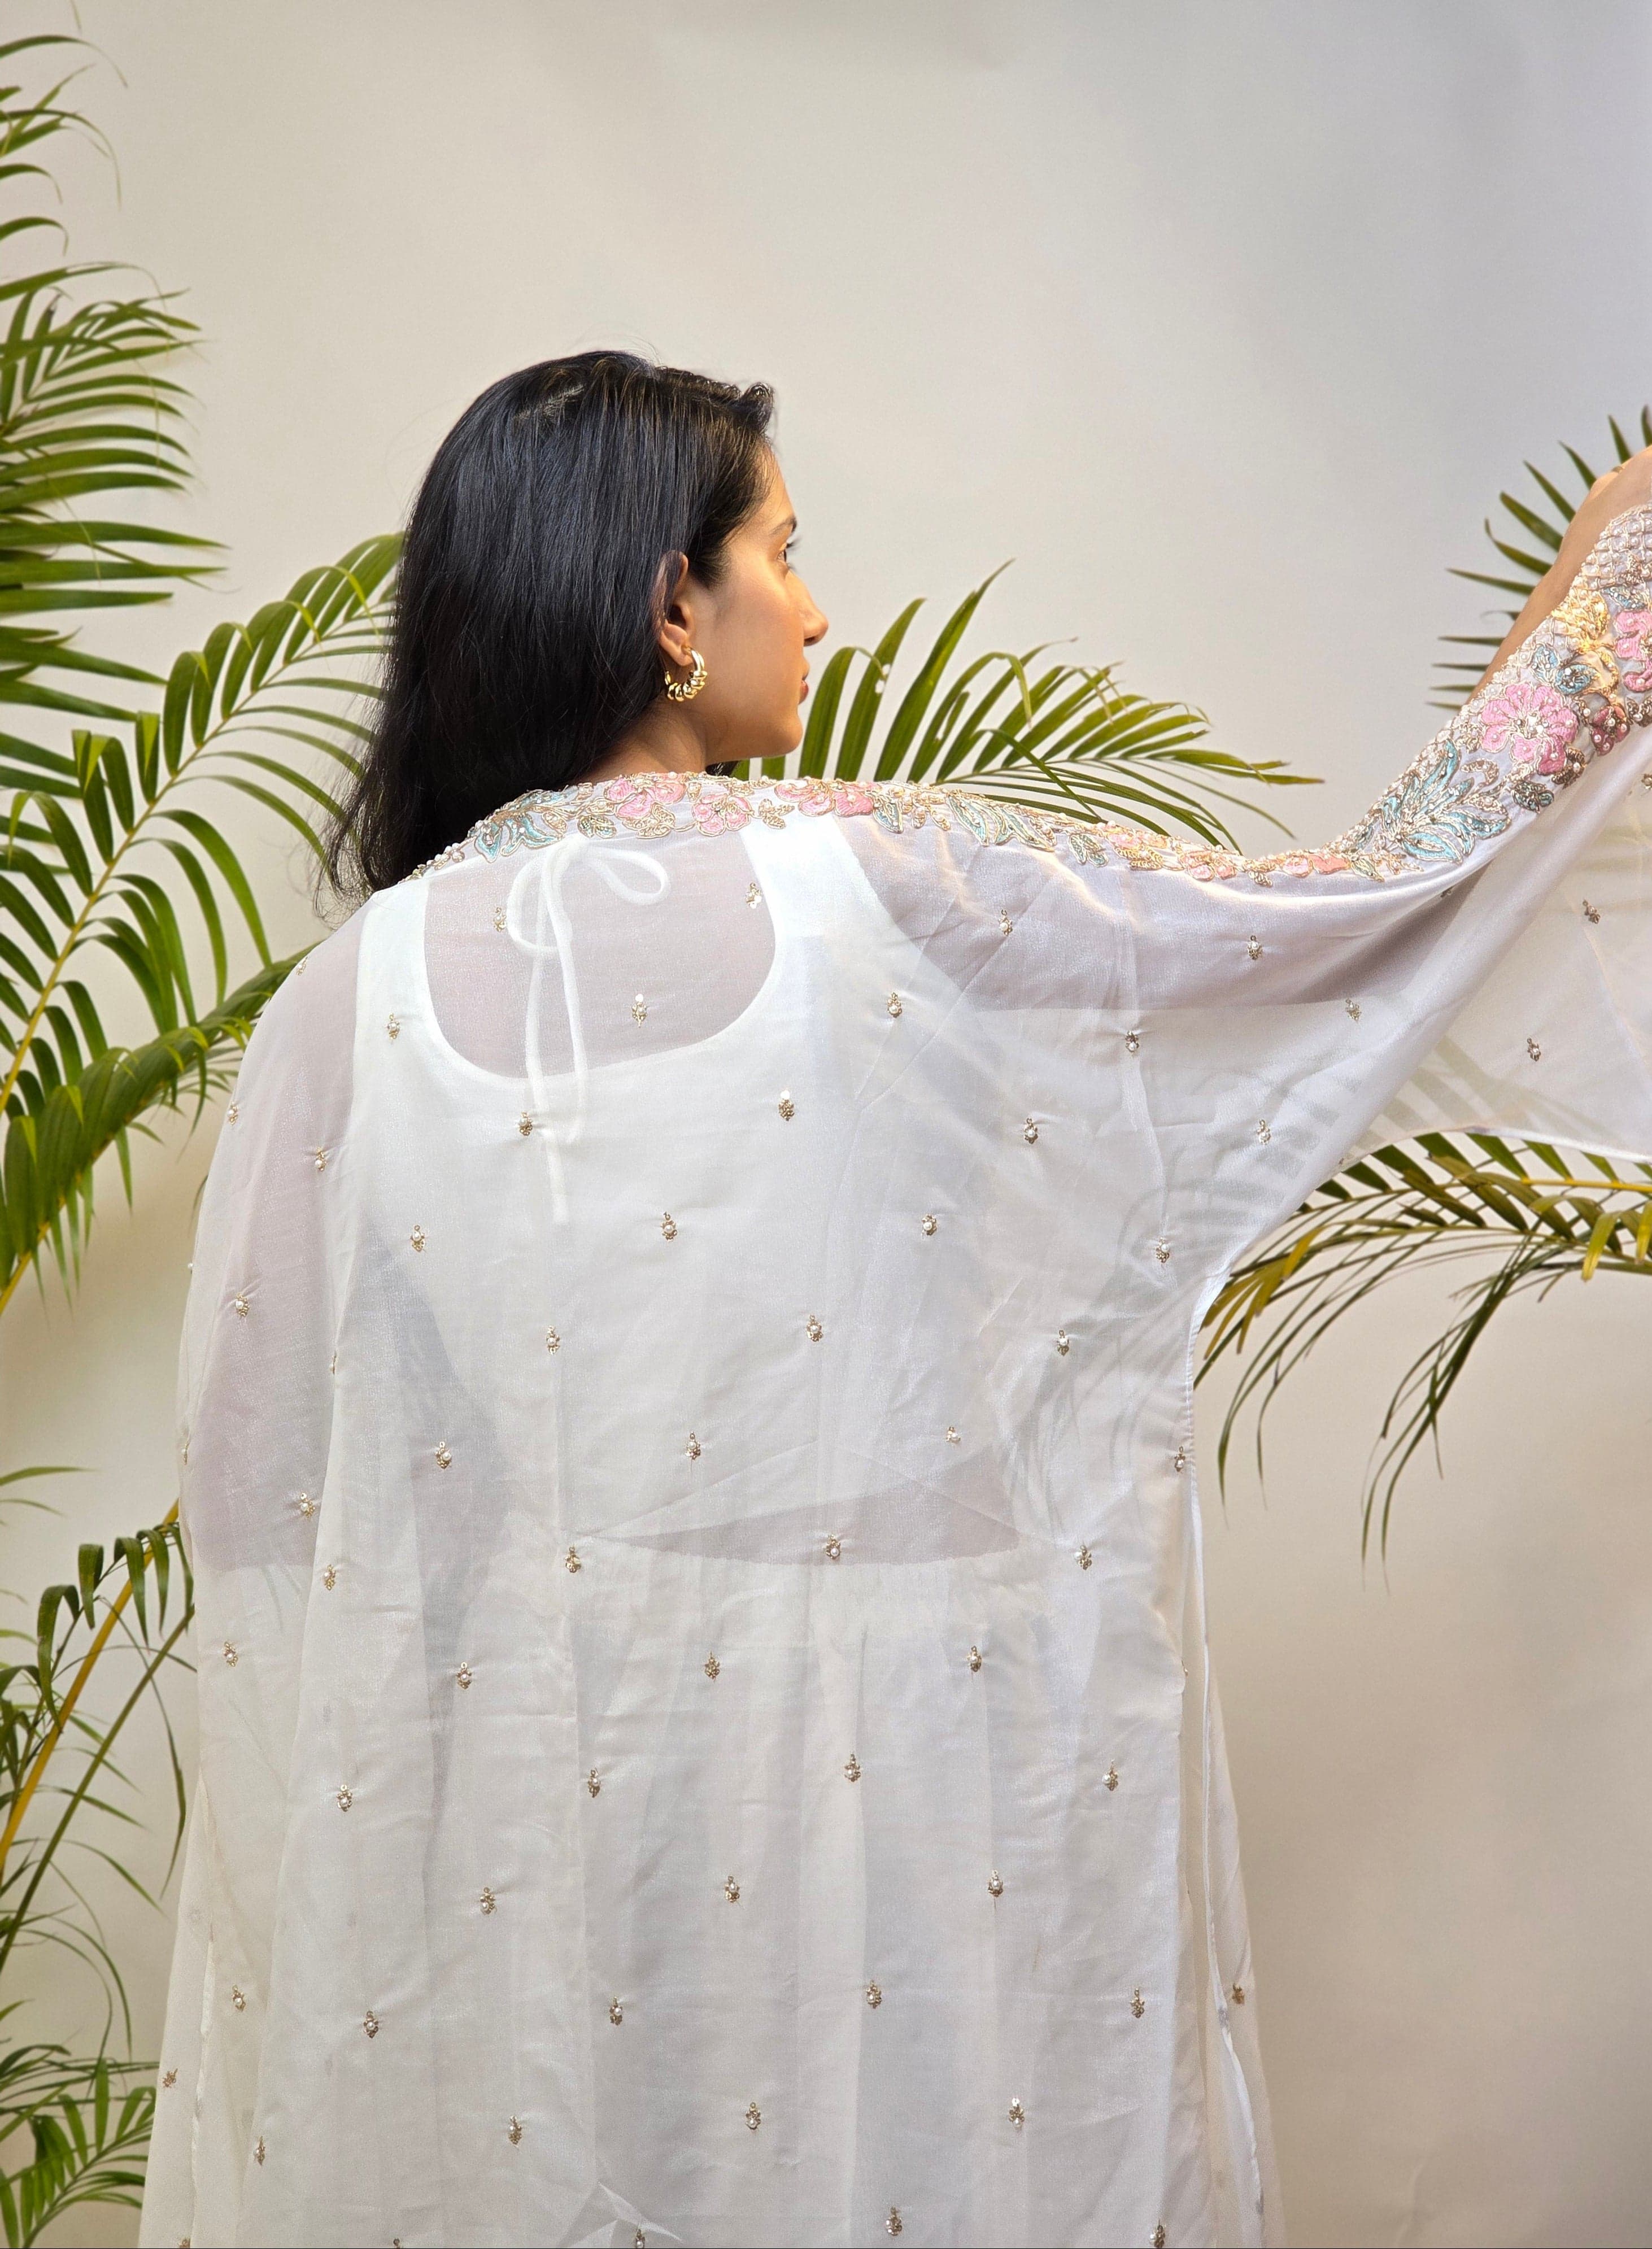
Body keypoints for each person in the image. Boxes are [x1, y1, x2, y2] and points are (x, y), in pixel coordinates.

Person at [140, 352, 1652, 2249]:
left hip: (518, 1891)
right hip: (903, 1857)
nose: (819, 603)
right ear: (671, 605)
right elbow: (1354, 914)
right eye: (784, 547)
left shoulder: (335, 1008)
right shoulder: (878, 892)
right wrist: (1621, 586)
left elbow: (279, 1562)